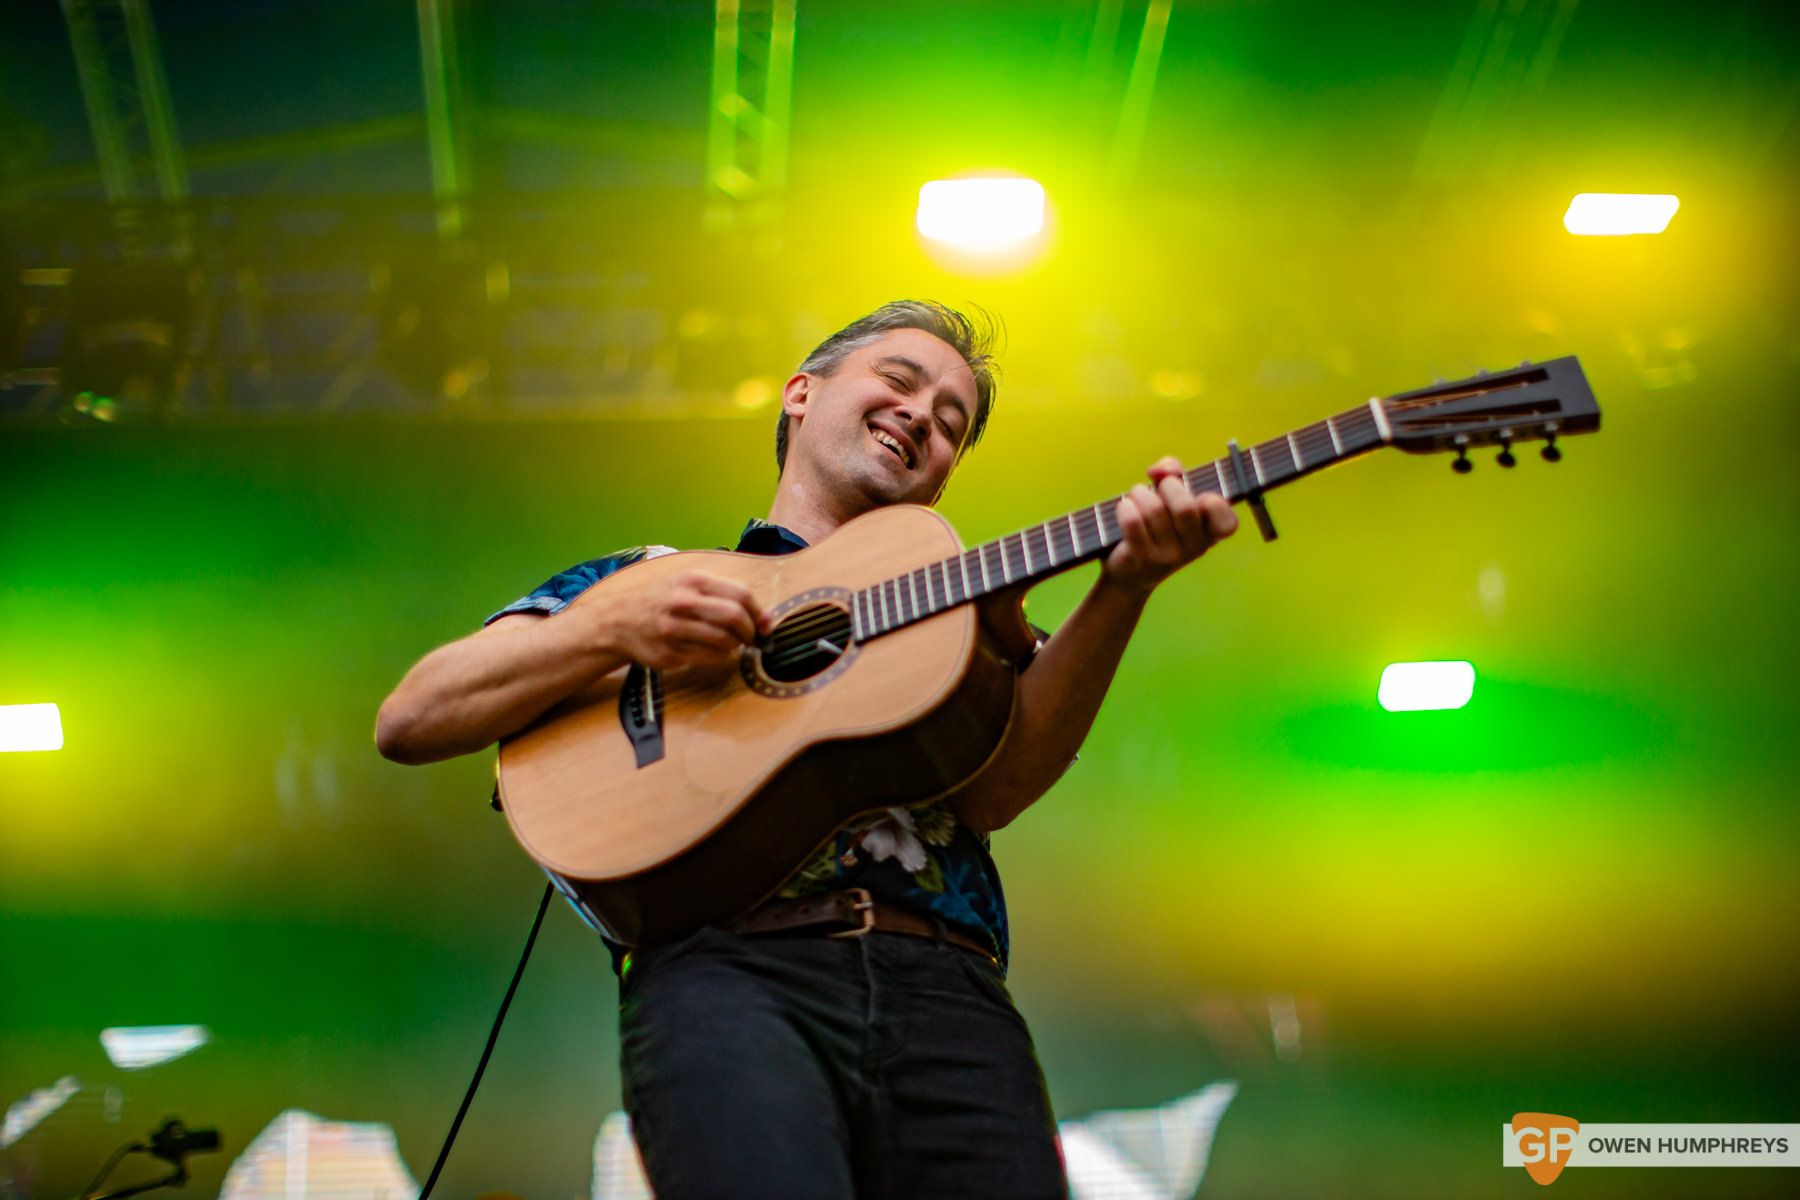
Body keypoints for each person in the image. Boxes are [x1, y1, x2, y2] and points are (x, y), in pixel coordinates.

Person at [375, 300, 1238, 1199]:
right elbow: (412, 718)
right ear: (800, 393)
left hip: (952, 991)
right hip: (725, 977)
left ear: (938, 484)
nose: (921, 417)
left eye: (951, 425)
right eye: (899, 382)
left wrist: (1126, 585)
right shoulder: (651, 573)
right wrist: (609, 629)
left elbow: (995, 794)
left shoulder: (962, 616)